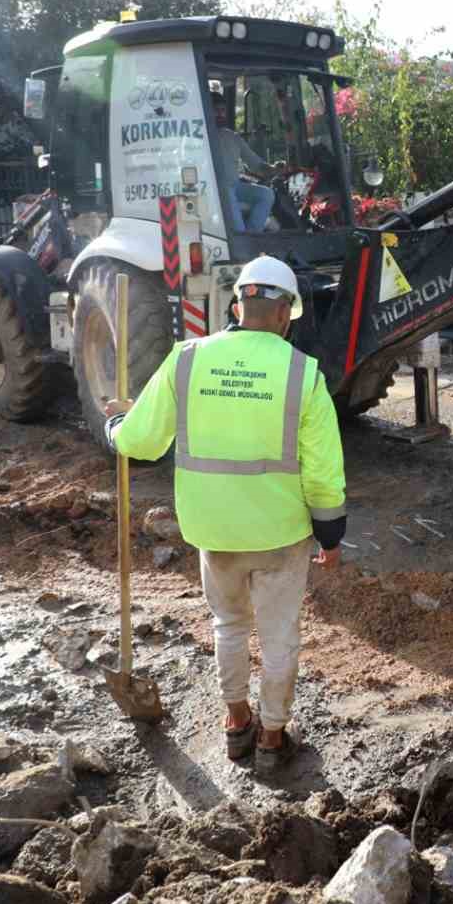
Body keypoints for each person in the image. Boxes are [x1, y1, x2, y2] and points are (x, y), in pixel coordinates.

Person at [103, 256, 346, 773]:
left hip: (213, 530)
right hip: (280, 535)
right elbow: (324, 472)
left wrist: (117, 427)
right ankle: (274, 736)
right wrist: (330, 534)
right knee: (279, 636)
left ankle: (237, 722)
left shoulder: (187, 359)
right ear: (286, 314)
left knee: (229, 626)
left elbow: (140, 441)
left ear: (237, 306)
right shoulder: (303, 374)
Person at [211, 91, 277, 233]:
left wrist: (273, 169)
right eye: (216, 111)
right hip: (216, 190)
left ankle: (253, 234)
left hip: (236, 186)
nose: (221, 114)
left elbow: (255, 163)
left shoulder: (232, 137)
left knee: (267, 194)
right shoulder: (198, 137)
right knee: (228, 195)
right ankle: (242, 238)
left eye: (223, 110)